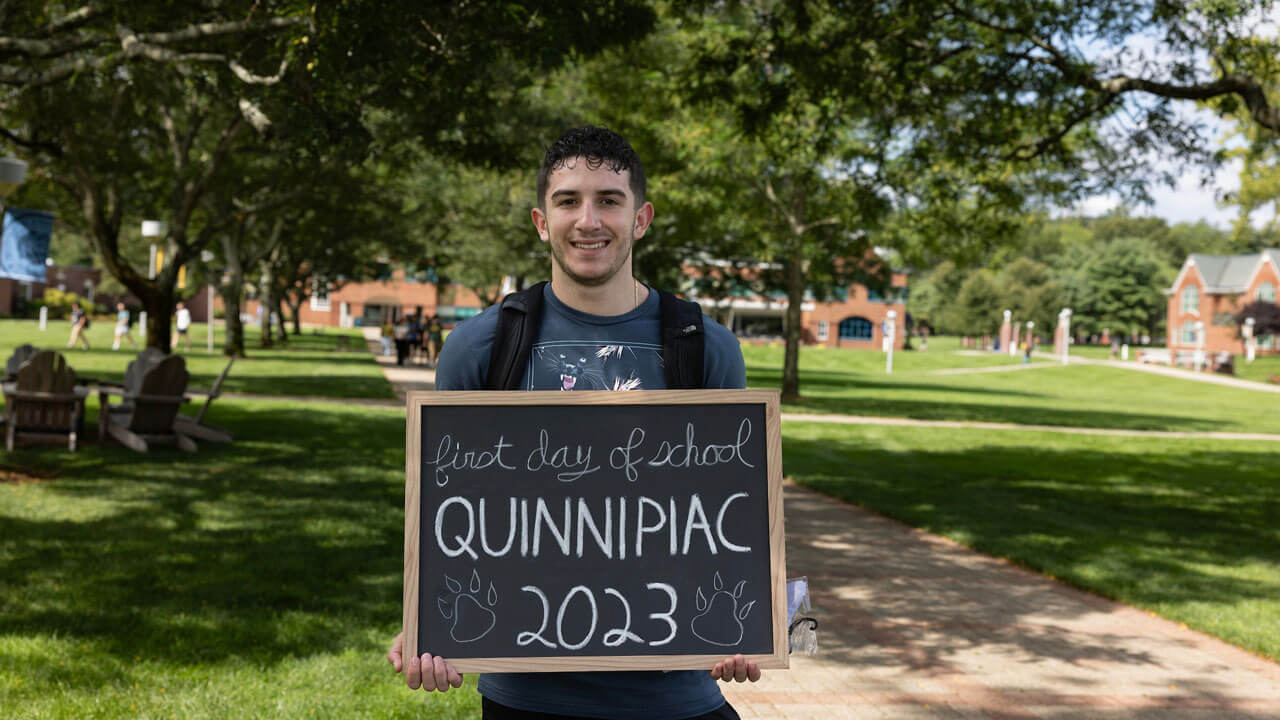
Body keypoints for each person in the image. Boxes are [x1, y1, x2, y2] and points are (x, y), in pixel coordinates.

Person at [386, 126, 757, 719]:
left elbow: (730, 515)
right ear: (541, 221)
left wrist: (754, 620)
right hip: (529, 699)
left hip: (676, 698)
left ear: (641, 219)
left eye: (609, 199)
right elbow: (451, 518)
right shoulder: (482, 347)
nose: (589, 220)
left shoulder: (704, 348)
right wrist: (427, 621)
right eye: (568, 201)